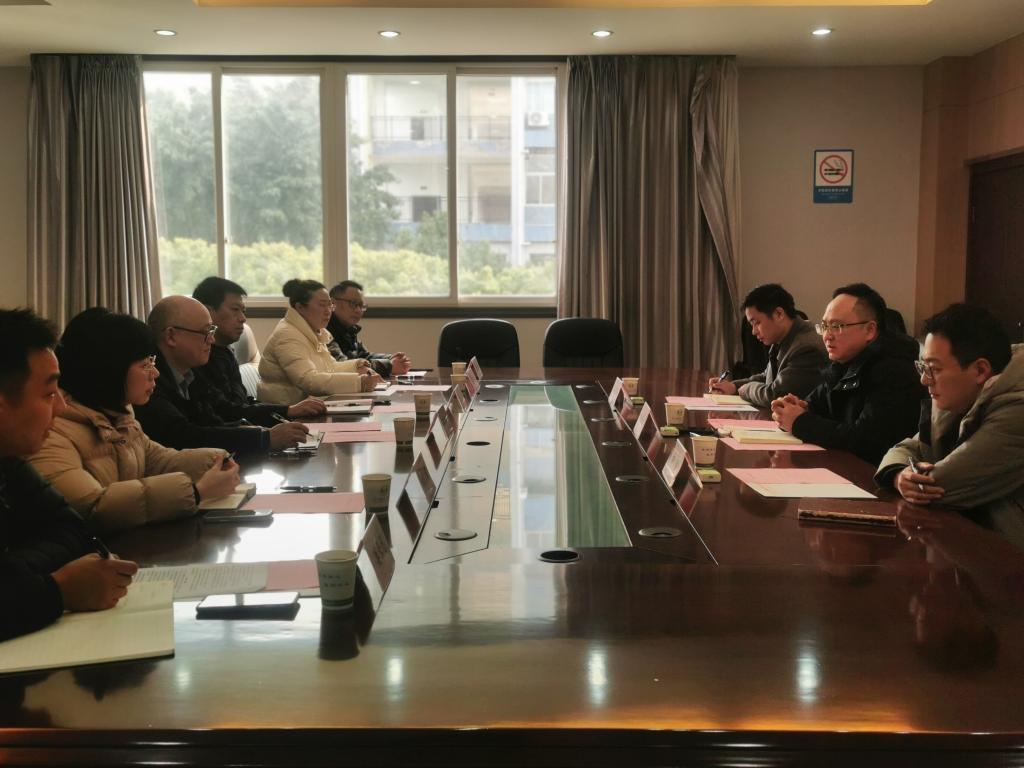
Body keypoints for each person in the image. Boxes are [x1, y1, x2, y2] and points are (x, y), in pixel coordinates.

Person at [29, 308, 240, 534]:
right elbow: (93, 506)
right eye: (145, 364)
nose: (155, 373)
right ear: (110, 369)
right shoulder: (51, 432)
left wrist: (214, 459)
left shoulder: (118, 414)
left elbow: (156, 460)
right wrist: (196, 492)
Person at [0, 308, 137, 642]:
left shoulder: (9, 461)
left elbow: (77, 533)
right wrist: (57, 590)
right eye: (48, 394)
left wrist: (14, 574)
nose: (61, 407)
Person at [875, 304, 1023, 546]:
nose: (924, 380)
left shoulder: (1018, 410)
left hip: (1008, 556)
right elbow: (906, 448)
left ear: (980, 370)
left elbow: (940, 486)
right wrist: (899, 475)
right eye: (923, 367)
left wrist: (911, 480)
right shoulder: (961, 393)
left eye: (933, 369)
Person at [771, 283, 924, 463]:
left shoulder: (895, 371)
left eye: (837, 326)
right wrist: (796, 408)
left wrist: (800, 422)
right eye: (825, 326)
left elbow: (865, 441)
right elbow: (815, 407)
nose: (827, 336)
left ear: (869, 330)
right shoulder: (841, 364)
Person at [135, 296, 310, 454]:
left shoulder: (192, 371)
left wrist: (258, 429)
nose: (211, 340)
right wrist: (263, 438)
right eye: (205, 333)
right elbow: (182, 437)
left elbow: (218, 415)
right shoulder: (147, 378)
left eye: (212, 331)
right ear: (171, 336)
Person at [192, 276, 326, 425]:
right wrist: (287, 411)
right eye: (235, 310)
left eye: (243, 311)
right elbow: (225, 412)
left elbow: (242, 403)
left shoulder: (225, 351)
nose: (243, 318)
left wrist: (287, 411)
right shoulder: (196, 358)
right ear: (207, 312)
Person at [258, 279, 381, 405]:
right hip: (285, 411)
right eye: (322, 305)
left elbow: (330, 367)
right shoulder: (287, 335)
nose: (328, 311)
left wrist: (357, 366)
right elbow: (308, 380)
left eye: (330, 305)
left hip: (307, 405)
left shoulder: (313, 331)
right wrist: (359, 382)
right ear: (300, 307)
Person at [709, 283, 826, 407]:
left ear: (779, 314)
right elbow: (767, 377)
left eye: (757, 323)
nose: (753, 332)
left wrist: (745, 389)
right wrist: (733, 386)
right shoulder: (783, 338)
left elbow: (776, 395)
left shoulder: (807, 348)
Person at [326, 280, 411, 377]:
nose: (358, 310)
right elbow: (345, 365)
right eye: (353, 303)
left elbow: (364, 356)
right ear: (333, 303)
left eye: (361, 305)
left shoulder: (349, 329)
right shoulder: (325, 329)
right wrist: (389, 365)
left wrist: (391, 358)